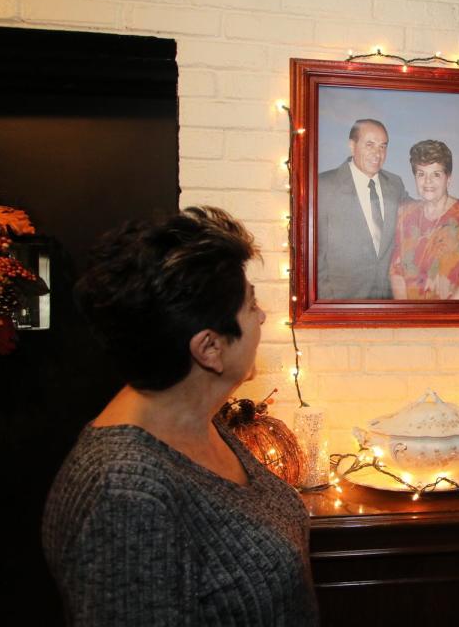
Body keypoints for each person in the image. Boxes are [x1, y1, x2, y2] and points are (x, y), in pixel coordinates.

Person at [42, 207, 318, 625]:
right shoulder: (124, 496)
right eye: (251, 305)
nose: (262, 317)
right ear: (209, 348)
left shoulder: (199, 422)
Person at [316, 118, 409, 300]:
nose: (378, 153)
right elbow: (315, 257)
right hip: (341, 304)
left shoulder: (395, 184)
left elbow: (419, 212)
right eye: (370, 145)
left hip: (388, 304)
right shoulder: (323, 186)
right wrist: (327, 304)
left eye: (383, 146)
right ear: (352, 145)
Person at [389, 139, 459, 300]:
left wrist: (441, 319)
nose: (428, 181)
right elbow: (396, 270)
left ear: (448, 178)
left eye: (436, 174)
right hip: (411, 318)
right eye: (421, 174)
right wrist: (407, 315)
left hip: (453, 317)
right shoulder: (405, 216)